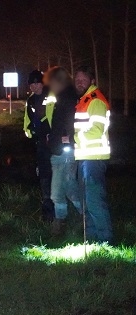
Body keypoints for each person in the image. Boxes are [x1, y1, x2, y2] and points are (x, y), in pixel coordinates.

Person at [74, 66, 113, 243]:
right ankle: (91, 239)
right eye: (77, 79)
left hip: (94, 159)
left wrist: (73, 138)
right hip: (85, 157)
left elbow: (96, 130)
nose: (79, 82)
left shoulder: (95, 100)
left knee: (94, 201)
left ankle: (105, 240)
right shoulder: (84, 100)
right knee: (86, 201)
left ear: (92, 81)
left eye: (83, 79)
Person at [46, 67, 81, 236]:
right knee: (65, 190)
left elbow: (71, 122)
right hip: (59, 151)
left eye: (51, 82)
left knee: (63, 191)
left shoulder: (68, 97)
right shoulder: (64, 97)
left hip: (64, 152)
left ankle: (70, 221)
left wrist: (66, 139)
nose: (50, 86)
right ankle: (67, 222)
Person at [23, 70, 55, 221]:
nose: (34, 86)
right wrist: (31, 132)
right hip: (40, 142)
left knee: (56, 174)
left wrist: (53, 133)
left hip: (54, 142)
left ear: (42, 83)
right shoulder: (30, 100)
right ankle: (47, 208)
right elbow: (27, 120)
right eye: (31, 84)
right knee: (43, 174)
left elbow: (57, 116)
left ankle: (58, 208)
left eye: (37, 83)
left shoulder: (53, 95)